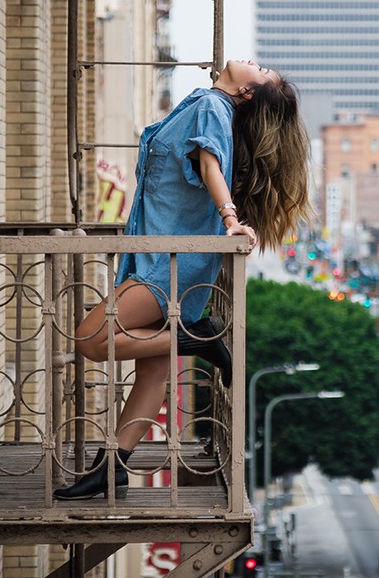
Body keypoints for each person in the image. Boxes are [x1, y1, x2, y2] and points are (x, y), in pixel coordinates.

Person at [54, 59, 312, 500]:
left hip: (169, 264)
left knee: (90, 339)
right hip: (166, 257)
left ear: (247, 93)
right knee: (152, 370)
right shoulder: (209, 104)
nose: (254, 61)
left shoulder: (213, 106)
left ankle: (195, 340)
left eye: (262, 70)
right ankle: (113, 467)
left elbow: (210, 164)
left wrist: (230, 217)